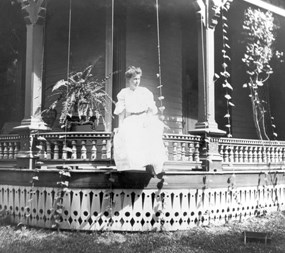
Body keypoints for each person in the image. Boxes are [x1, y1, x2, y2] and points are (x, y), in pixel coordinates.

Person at [113, 66, 166, 176]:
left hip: (145, 117)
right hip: (131, 119)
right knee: (126, 133)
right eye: (134, 79)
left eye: (138, 79)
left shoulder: (145, 92)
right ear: (129, 80)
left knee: (152, 131)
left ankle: (155, 167)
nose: (137, 81)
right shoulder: (124, 93)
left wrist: (148, 119)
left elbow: (151, 109)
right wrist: (120, 126)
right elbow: (121, 113)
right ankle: (135, 167)